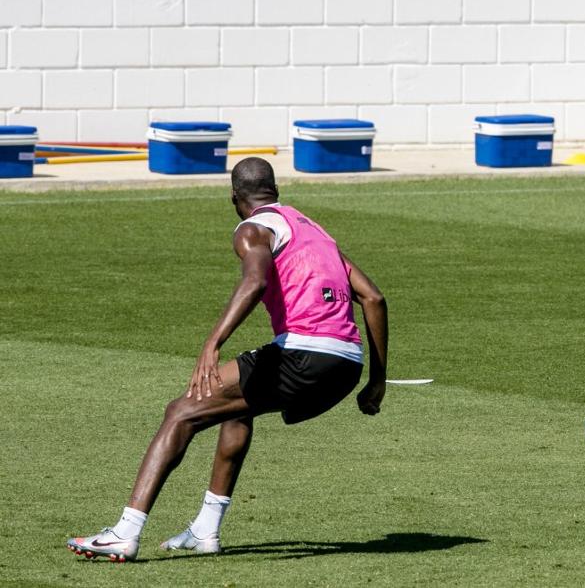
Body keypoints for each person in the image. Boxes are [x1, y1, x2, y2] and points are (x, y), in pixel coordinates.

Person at [68, 157, 389, 562]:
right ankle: (206, 528)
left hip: (304, 353)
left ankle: (124, 532)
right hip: (346, 365)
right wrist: (376, 381)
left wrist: (212, 343)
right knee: (236, 408)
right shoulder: (315, 231)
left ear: (234, 197)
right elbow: (374, 298)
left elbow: (255, 280)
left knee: (181, 411)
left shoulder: (253, 228)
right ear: (275, 192)